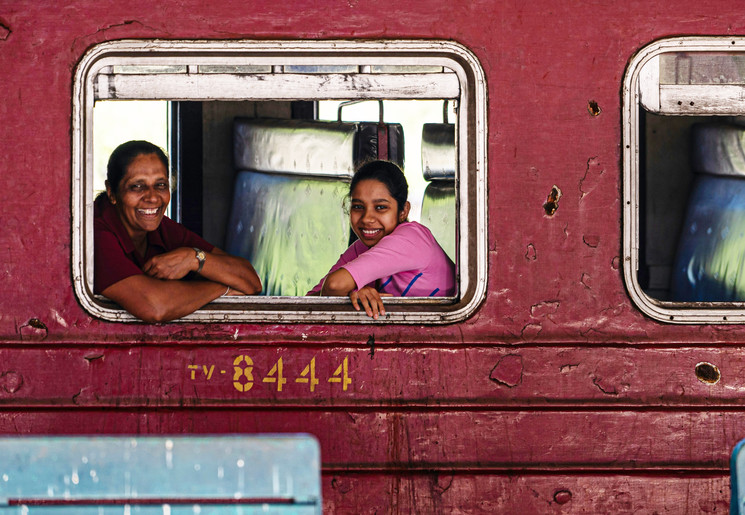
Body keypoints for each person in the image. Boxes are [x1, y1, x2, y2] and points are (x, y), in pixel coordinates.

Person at [95, 140, 261, 322]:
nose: (152, 197)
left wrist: (193, 258)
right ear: (111, 192)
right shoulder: (96, 233)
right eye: (137, 186)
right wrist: (224, 288)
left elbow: (251, 281)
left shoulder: (161, 228)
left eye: (160, 185)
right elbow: (154, 307)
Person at [307, 160, 455, 319]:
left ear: (403, 211)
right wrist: (353, 293)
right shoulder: (363, 247)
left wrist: (346, 291)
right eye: (358, 206)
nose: (366, 218)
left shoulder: (412, 239)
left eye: (380, 207)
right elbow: (312, 299)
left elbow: (335, 285)